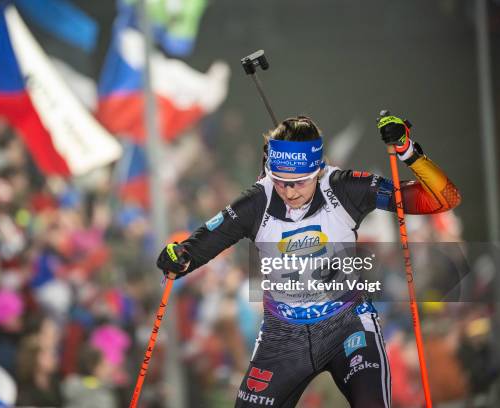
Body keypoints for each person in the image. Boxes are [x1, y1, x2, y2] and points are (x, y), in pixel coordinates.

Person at [156, 112, 461, 407]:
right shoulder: (258, 199)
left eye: (300, 182)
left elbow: (444, 199)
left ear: (318, 170)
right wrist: (180, 256)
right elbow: (200, 245)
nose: (289, 192)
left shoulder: (343, 188)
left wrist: (408, 152)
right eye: (280, 181)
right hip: (283, 336)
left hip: (346, 325)